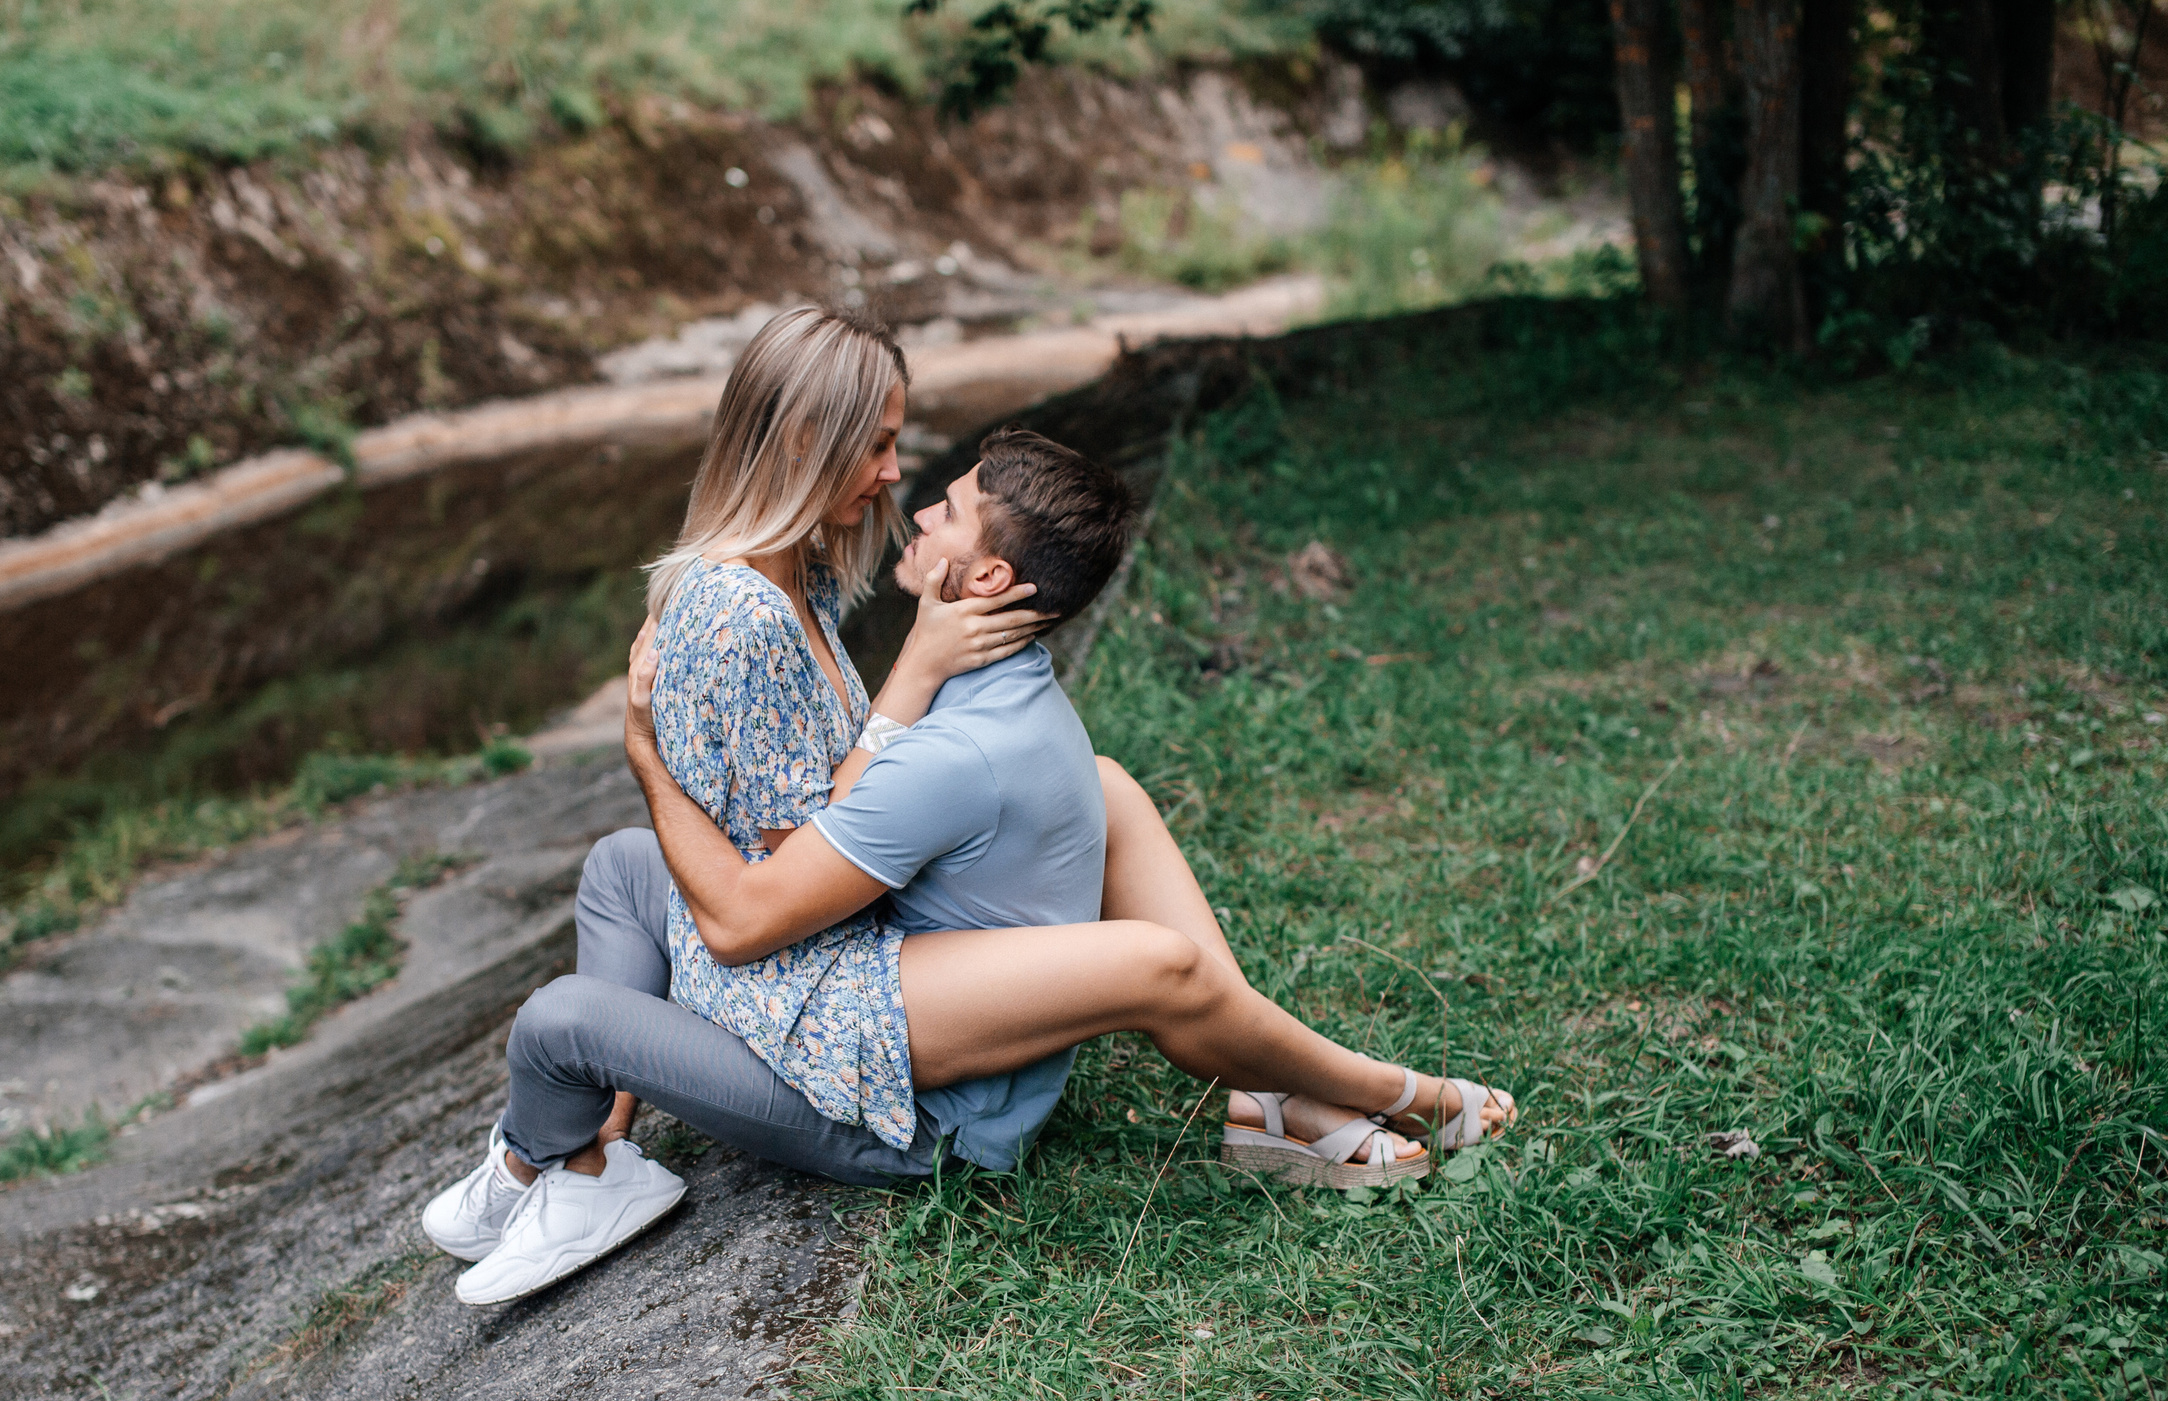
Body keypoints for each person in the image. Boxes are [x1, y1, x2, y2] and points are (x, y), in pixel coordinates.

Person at [423, 312, 1512, 1304]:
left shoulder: (897, 696)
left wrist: (647, 761)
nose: (903, 483)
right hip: (843, 980)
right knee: (621, 867)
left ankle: (555, 1159)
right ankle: (588, 1159)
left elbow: (750, 917)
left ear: (986, 583)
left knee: (562, 1018)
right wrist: (903, 679)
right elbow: (814, 829)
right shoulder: (849, 633)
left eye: (935, 496)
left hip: (880, 1086)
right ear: (804, 440)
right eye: (884, 449)